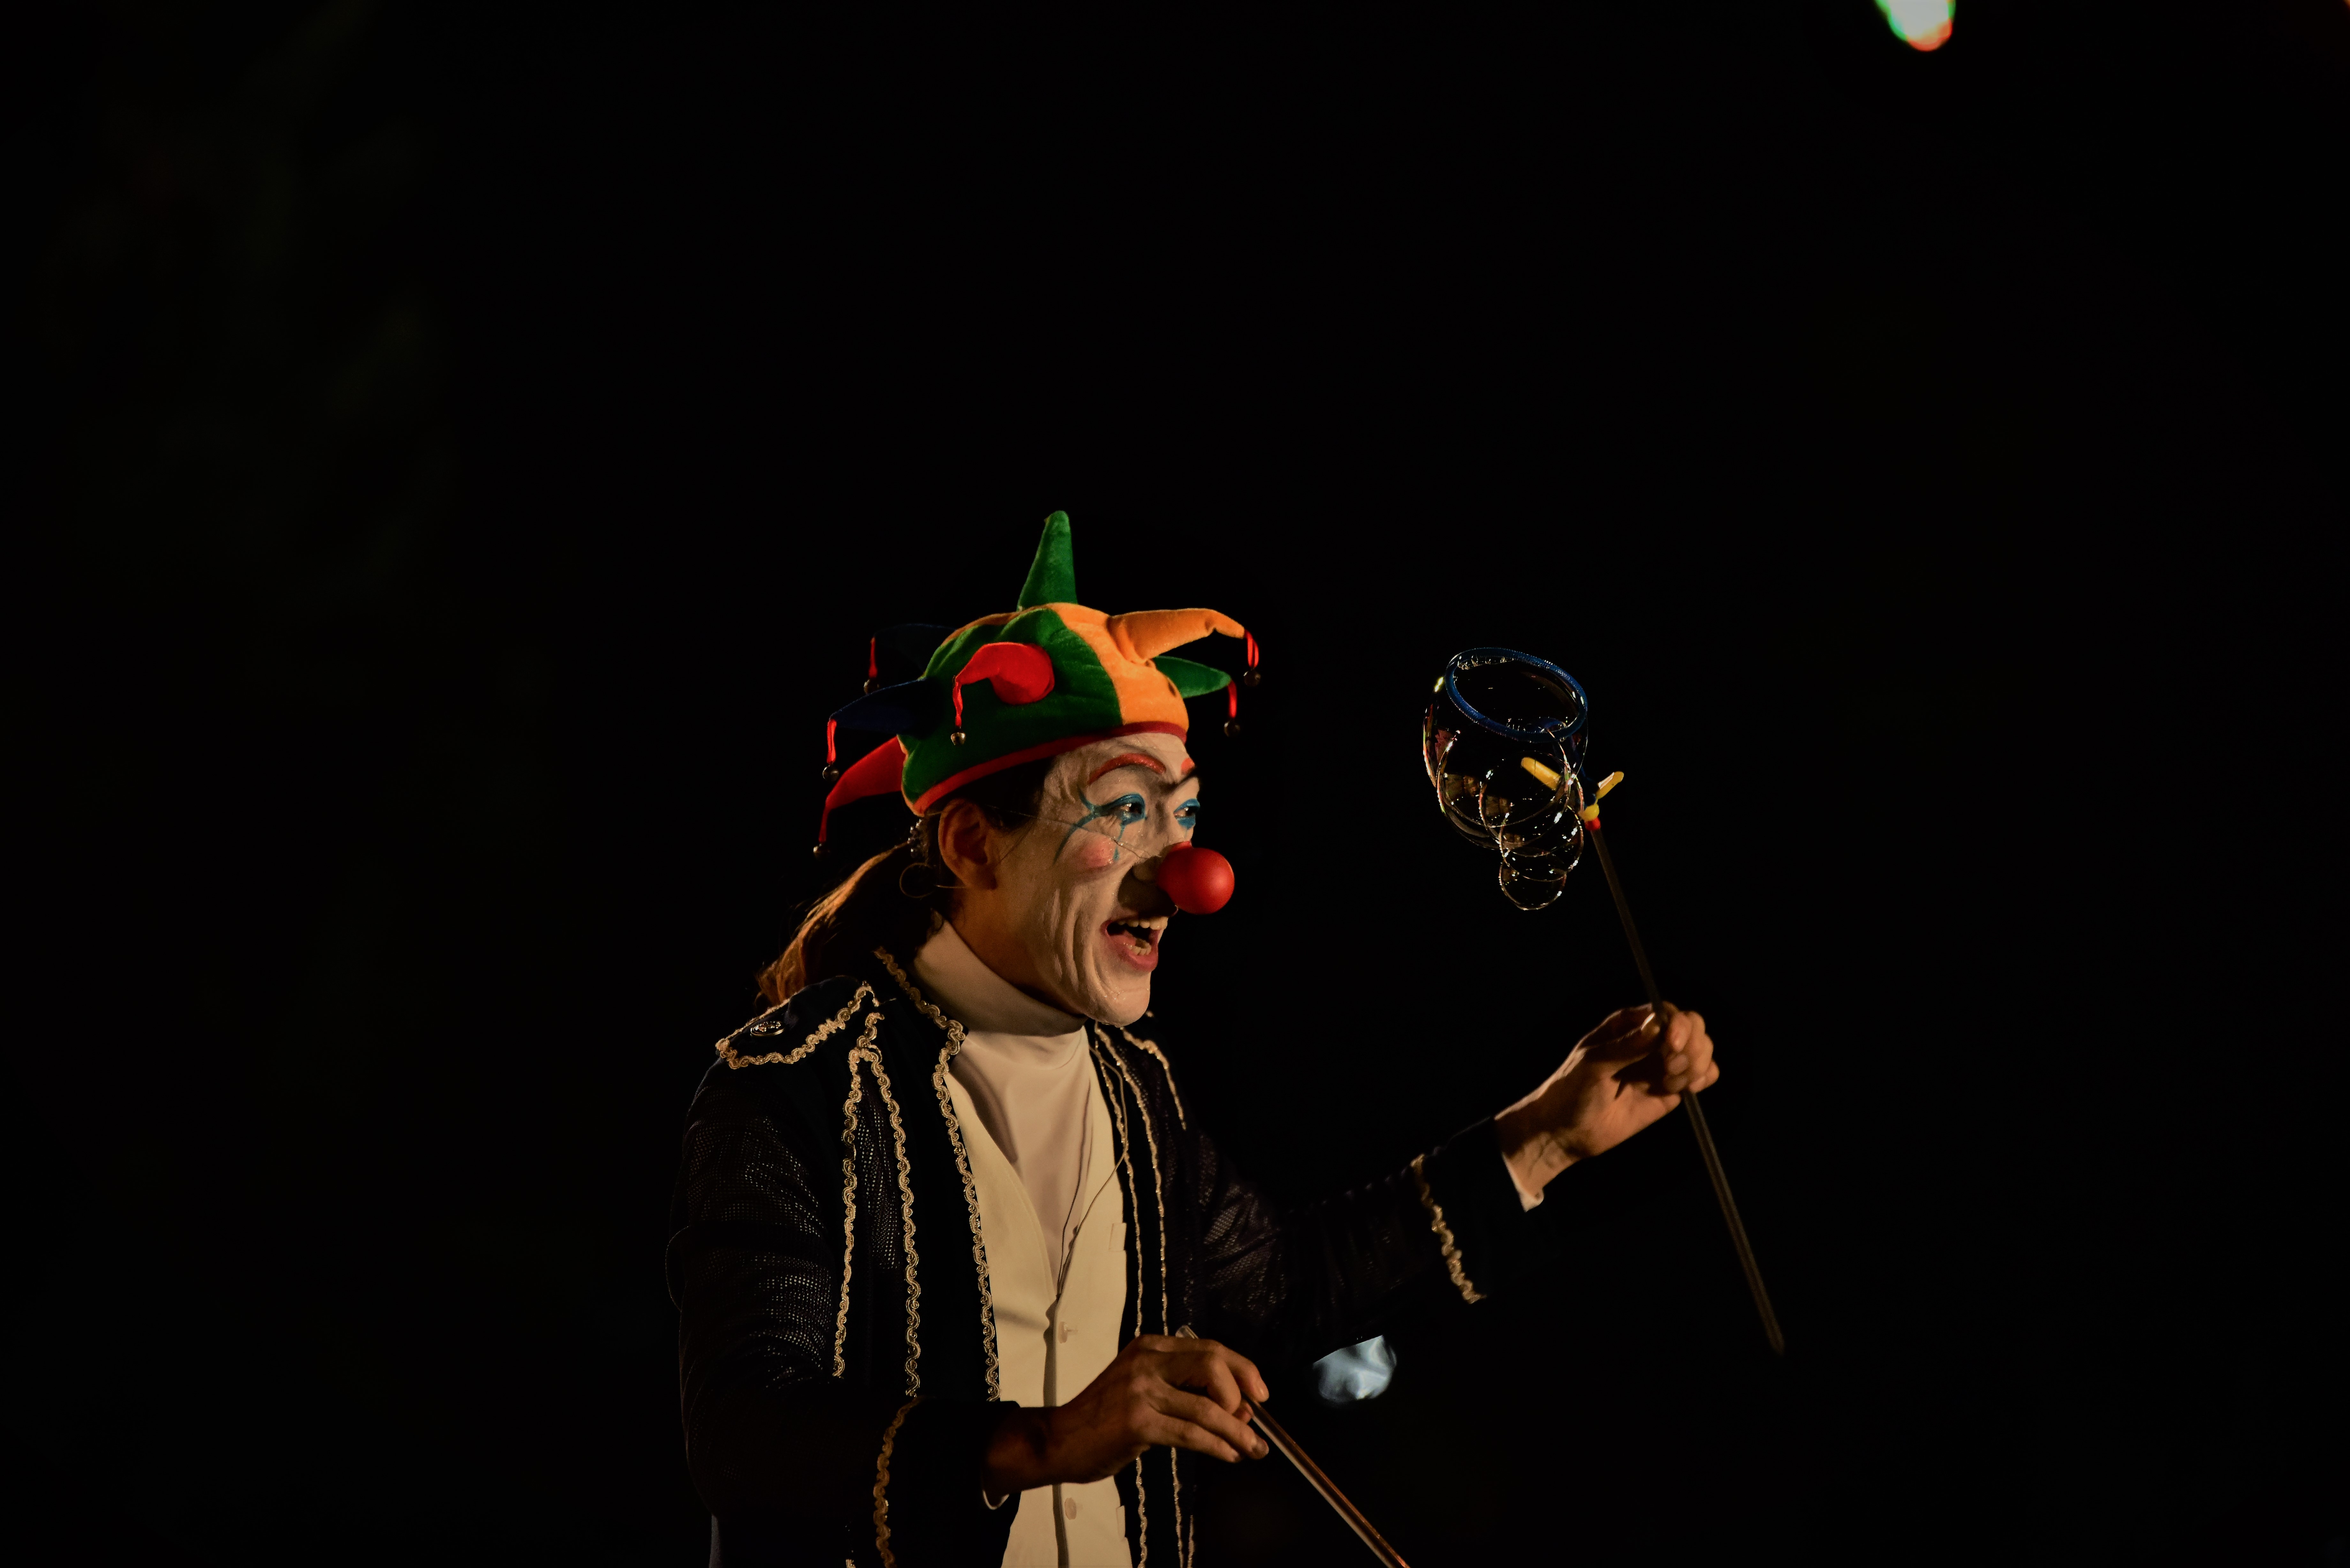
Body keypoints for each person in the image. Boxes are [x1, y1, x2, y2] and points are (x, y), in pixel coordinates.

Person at [665, 514, 1719, 1567]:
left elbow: (1278, 1292)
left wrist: (1546, 1137)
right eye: (1124, 811)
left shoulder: (1135, 1087)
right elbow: (746, 1434)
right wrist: (1046, 1440)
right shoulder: (797, 1087)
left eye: (1183, 815)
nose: (1190, 877)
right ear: (976, 845)